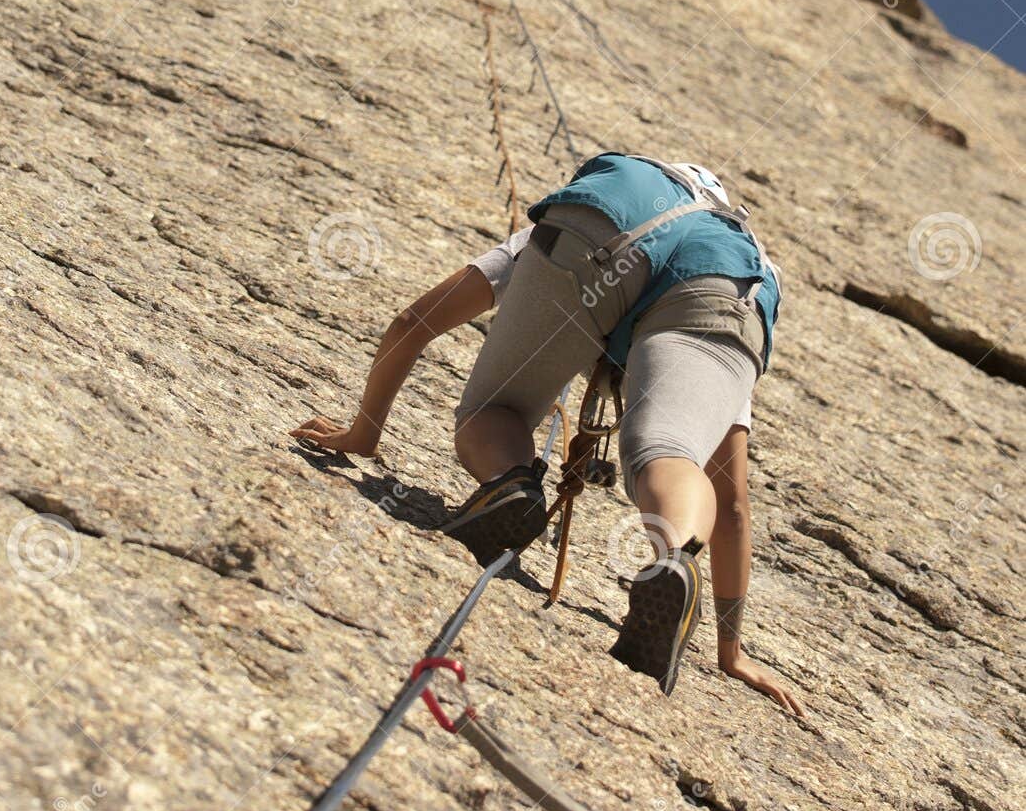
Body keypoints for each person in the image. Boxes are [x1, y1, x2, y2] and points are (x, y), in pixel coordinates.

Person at [293, 152, 803, 717]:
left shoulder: (588, 210)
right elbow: (730, 505)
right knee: (669, 451)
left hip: (602, 230)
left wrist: (365, 432)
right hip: (726, 288)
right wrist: (730, 649)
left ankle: (512, 481)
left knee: (495, 410)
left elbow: (414, 322)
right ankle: (674, 557)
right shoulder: (738, 251)